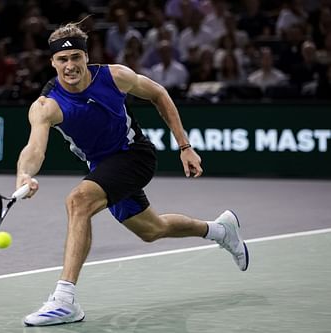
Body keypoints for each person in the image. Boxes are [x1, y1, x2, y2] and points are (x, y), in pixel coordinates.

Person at [15, 22, 249, 327]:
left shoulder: (114, 76)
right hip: (102, 168)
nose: (70, 65)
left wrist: (185, 146)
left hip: (134, 155)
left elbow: (159, 94)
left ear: (86, 56)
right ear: (52, 62)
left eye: (75, 57)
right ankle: (220, 230)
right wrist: (23, 174)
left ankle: (64, 299)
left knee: (78, 201)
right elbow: (35, 148)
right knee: (152, 229)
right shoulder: (46, 105)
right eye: (62, 60)